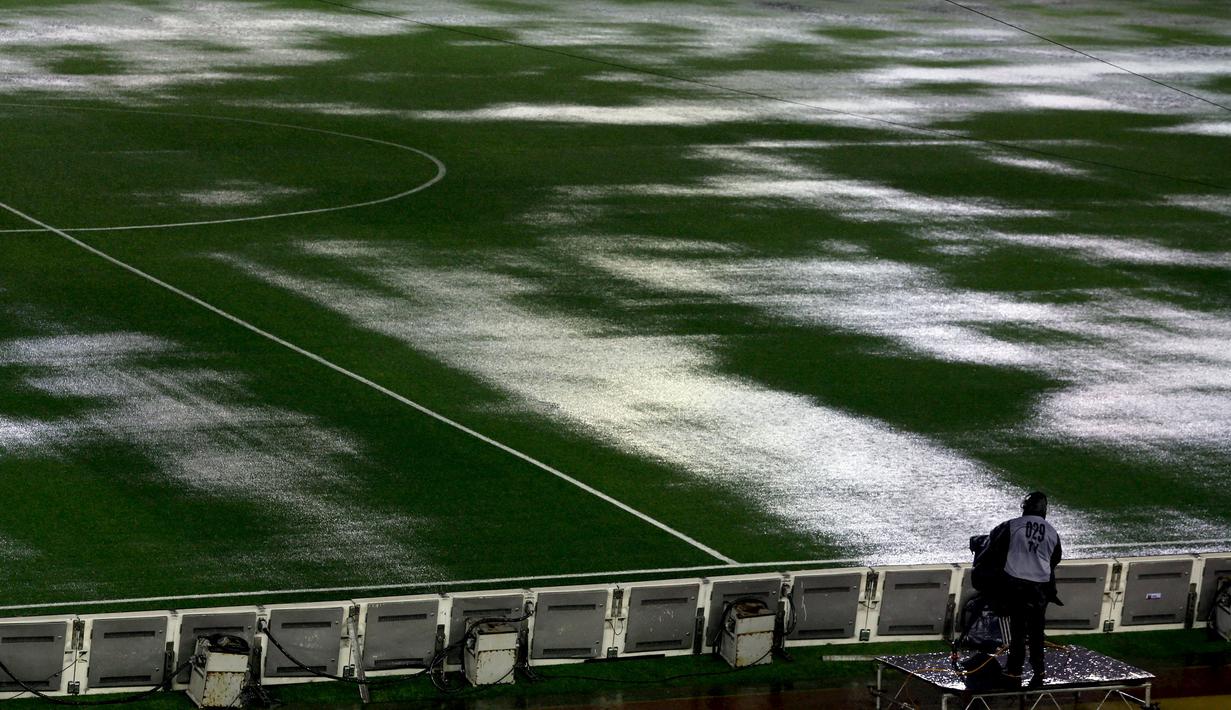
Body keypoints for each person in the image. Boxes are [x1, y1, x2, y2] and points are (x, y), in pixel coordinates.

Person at [972, 491, 1062, 688]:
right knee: (1037, 631)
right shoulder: (1052, 532)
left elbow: (993, 549)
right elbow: (1054, 559)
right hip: (1040, 588)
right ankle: (1039, 669)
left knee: (1018, 630)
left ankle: (1014, 669)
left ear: (1024, 507)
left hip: (1016, 586)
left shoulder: (1012, 525)